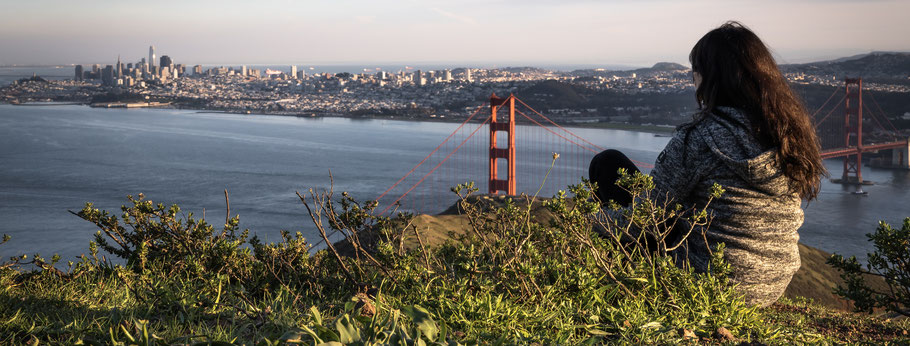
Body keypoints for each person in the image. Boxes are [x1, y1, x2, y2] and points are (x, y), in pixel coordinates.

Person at [588, 21, 826, 307]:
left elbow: (644, 218)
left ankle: (619, 293)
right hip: (770, 285)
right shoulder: (789, 135)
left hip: (706, 283)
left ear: (711, 78)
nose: (693, 80)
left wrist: (588, 221)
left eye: (696, 71)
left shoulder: (699, 138)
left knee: (609, 164)